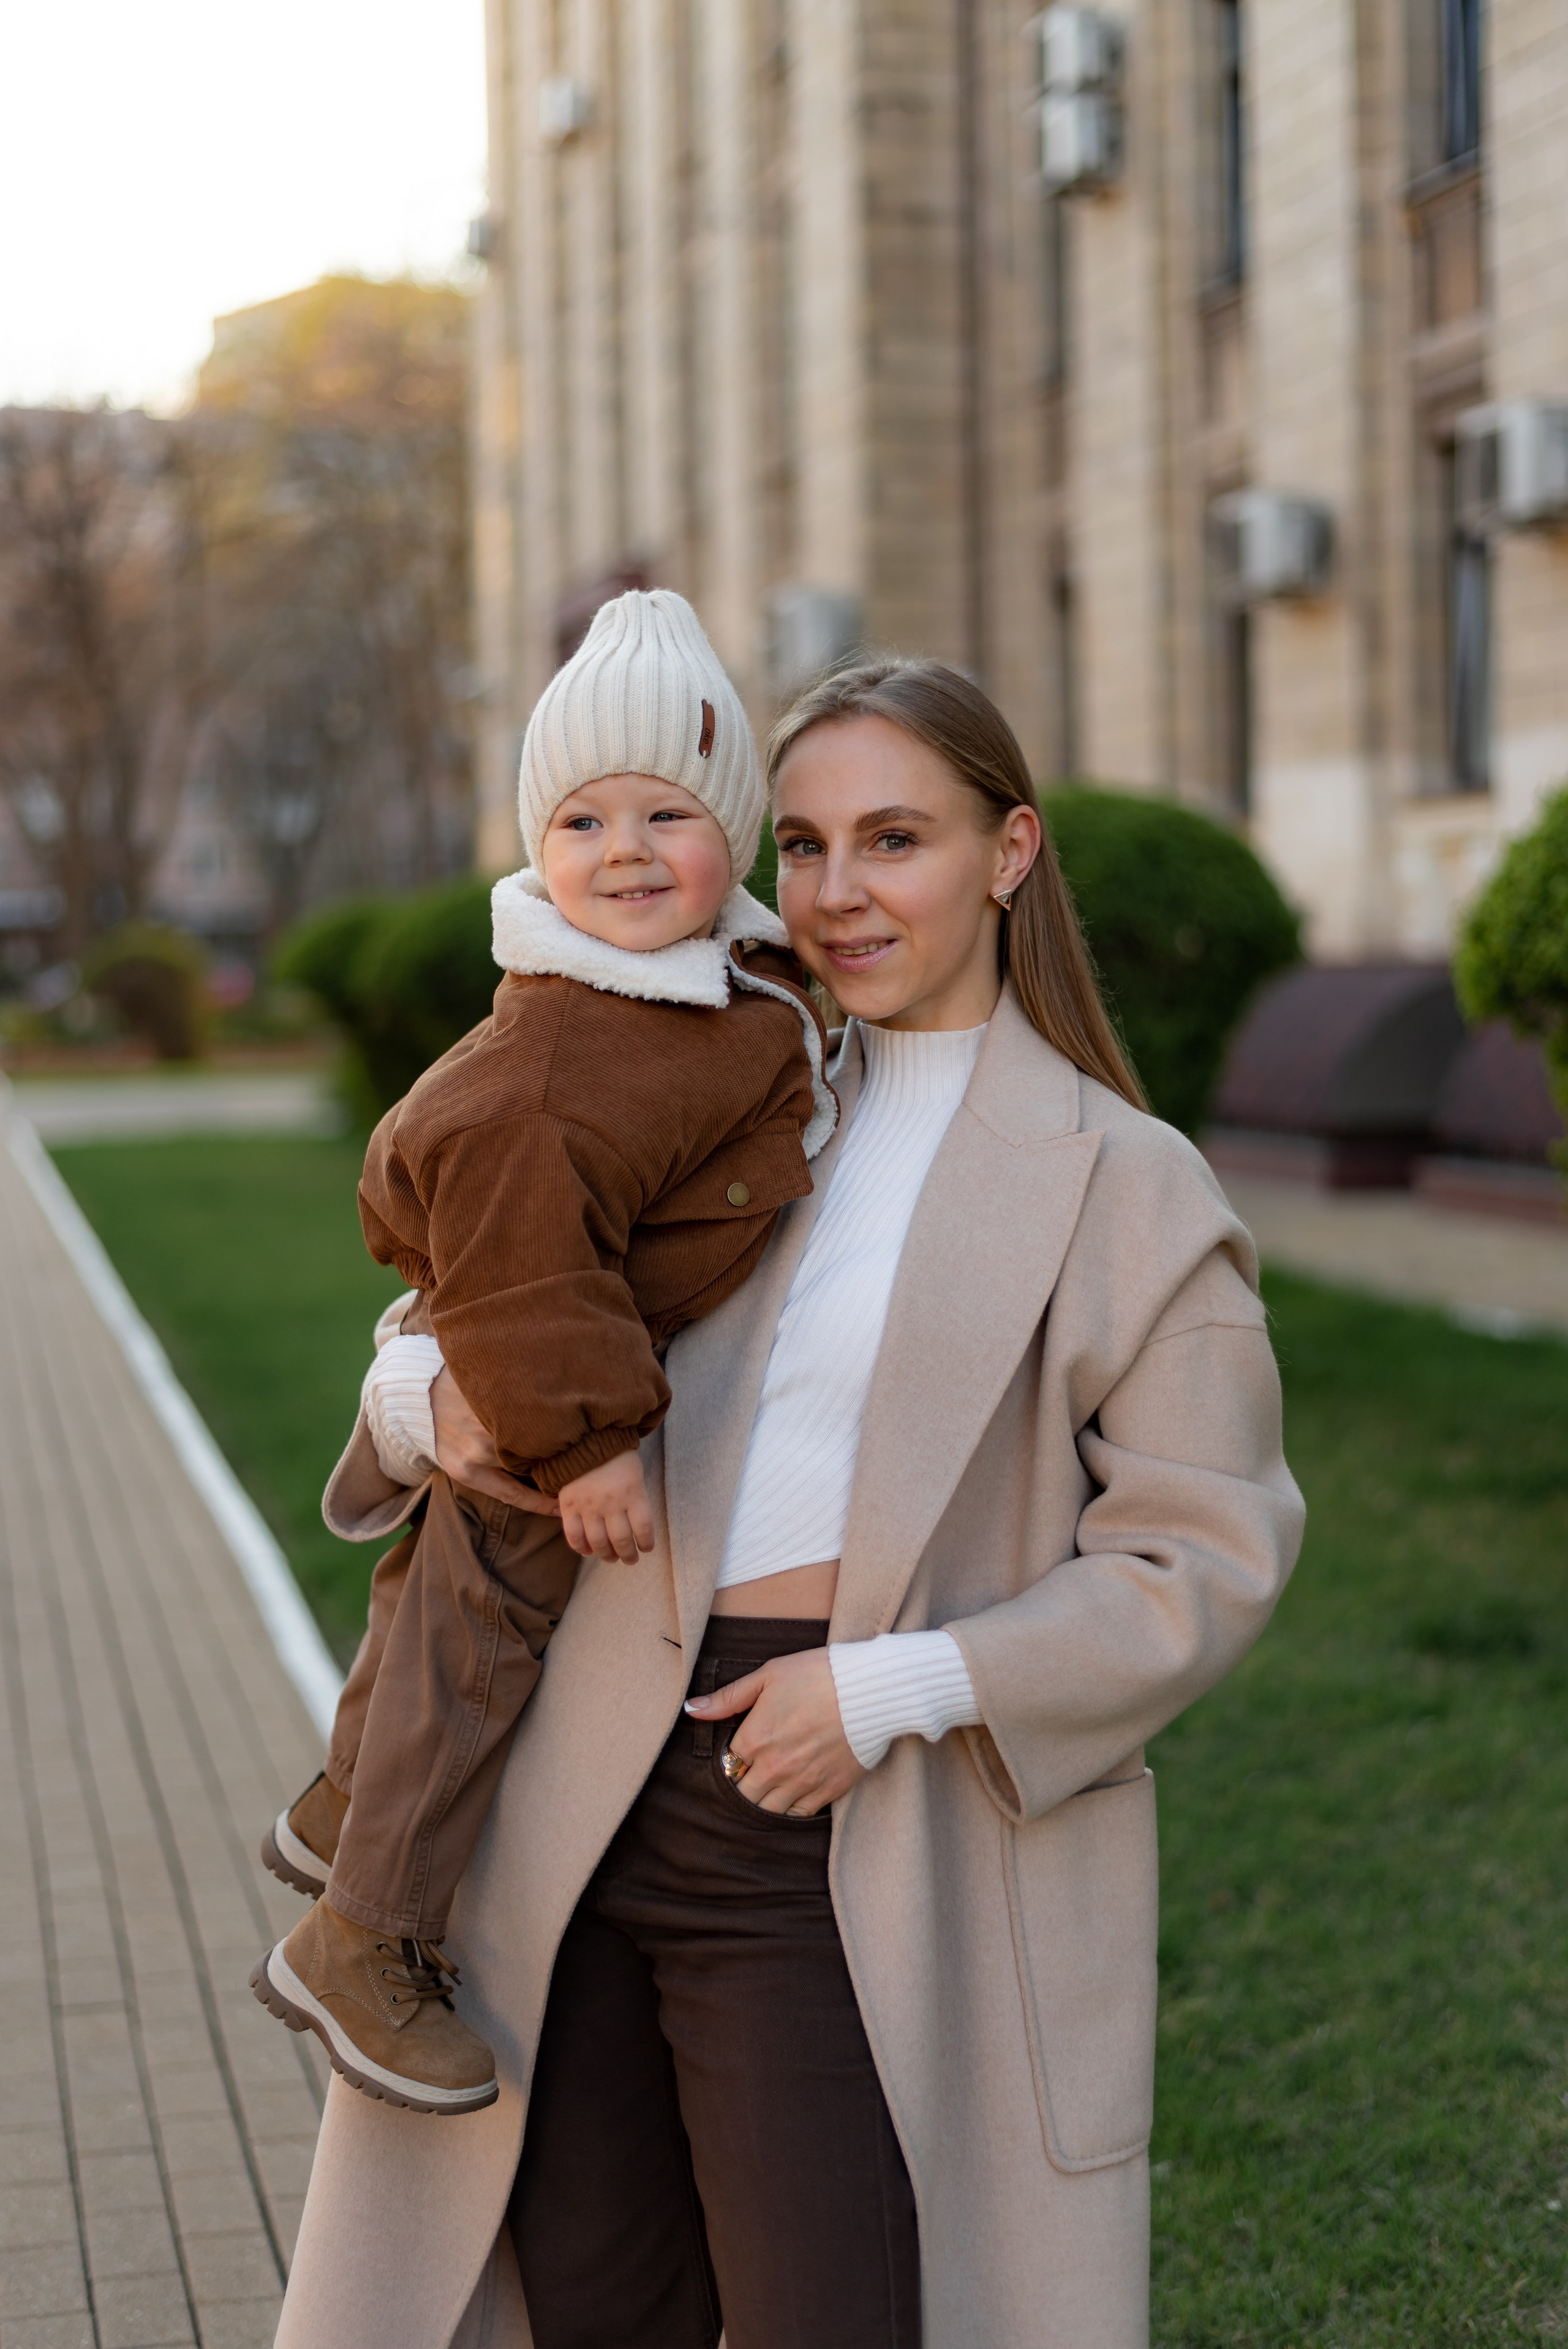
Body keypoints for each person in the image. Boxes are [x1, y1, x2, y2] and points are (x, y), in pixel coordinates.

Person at [277, 656, 1305, 2349]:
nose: (837, 893)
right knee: (592, 2308)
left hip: (844, 1822)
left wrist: (891, 1687)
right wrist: (413, 1397)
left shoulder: (1125, 1180)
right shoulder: (730, 1085)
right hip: (572, 1800)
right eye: (809, 844)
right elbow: (486, 1300)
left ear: (1009, 850)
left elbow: (1204, 1556)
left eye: (893, 838)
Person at [250, 588, 835, 2116]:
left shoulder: (705, 987)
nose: (625, 851)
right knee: (471, 1645)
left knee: (431, 1606)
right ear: (532, 845)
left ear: (735, 834)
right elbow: (514, 1253)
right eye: (579, 822)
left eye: (667, 813)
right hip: (539, 1392)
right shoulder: (570, 1041)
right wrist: (583, 1447)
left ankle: (337, 1806)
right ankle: (362, 1936)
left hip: (532, 1351)